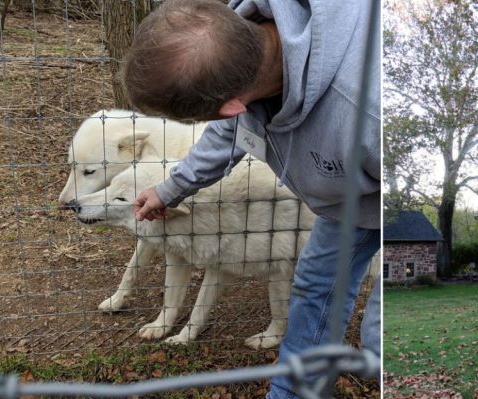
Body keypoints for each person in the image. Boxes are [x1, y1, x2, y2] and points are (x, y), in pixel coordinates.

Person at [121, 0, 380, 397]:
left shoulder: (368, 114)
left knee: (382, 332)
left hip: (385, 202)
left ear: (229, 107)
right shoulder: (246, 47)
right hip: (346, 204)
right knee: (313, 284)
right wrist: (168, 191)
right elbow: (230, 132)